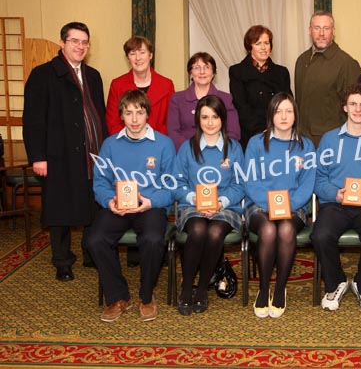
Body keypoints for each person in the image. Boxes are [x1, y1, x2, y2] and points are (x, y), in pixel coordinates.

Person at [23, 21, 108, 281]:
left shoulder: (93, 75)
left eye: (85, 42)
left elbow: (100, 114)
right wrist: (38, 156)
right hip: (58, 153)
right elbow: (33, 120)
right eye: (75, 41)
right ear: (62, 43)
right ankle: (62, 261)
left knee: (92, 204)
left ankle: (91, 253)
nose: (80, 46)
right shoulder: (43, 74)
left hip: (91, 152)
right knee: (60, 208)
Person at [88, 89, 176, 322]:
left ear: (148, 114)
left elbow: (172, 185)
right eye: (129, 113)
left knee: (153, 239)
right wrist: (110, 201)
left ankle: (146, 296)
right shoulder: (110, 145)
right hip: (119, 207)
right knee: (95, 239)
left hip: (150, 206)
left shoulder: (164, 144)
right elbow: (100, 182)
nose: (135, 119)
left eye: (139, 112)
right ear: (121, 116)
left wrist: (151, 202)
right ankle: (118, 296)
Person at [311, 83, 361, 313]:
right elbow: (318, 178)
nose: (358, 109)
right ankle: (336, 282)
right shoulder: (329, 140)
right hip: (336, 203)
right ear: (345, 107)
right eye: (353, 104)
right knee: (320, 235)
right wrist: (334, 194)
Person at [243, 92, 315, 318]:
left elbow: (307, 184)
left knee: (284, 229)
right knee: (266, 229)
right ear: (271, 115)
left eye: (289, 111)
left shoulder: (306, 145)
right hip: (259, 204)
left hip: (295, 207)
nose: (283, 116)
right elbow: (250, 181)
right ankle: (264, 289)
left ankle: (280, 288)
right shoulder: (256, 143)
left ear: (295, 115)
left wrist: (287, 206)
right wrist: (270, 205)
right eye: (278, 111)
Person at [173, 95, 244, 316]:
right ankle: (186, 288)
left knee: (214, 232)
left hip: (226, 207)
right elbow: (176, 183)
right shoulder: (187, 148)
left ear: (223, 118)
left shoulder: (233, 149)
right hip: (192, 205)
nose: (210, 122)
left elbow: (241, 185)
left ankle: (202, 288)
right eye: (205, 117)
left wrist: (221, 202)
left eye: (214, 116)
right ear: (198, 120)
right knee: (198, 228)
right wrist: (194, 199)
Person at [295, 11, 361, 146]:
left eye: (326, 28)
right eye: (317, 28)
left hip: (332, 141)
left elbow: (355, 109)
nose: (321, 33)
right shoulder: (301, 60)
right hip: (302, 139)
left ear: (333, 31)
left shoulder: (347, 63)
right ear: (309, 30)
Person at [229, 25, 292, 149]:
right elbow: (241, 106)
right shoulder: (237, 71)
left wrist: (275, 130)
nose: (263, 48)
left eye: (266, 43)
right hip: (250, 136)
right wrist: (260, 131)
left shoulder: (282, 72)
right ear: (249, 47)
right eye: (258, 43)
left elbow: (288, 104)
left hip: (279, 133)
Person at [168, 52, 240, 151]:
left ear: (213, 72)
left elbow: (233, 133)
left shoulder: (225, 99)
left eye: (207, 67)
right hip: (187, 153)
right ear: (190, 72)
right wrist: (191, 150)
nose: (202, 72)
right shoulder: (177, 99)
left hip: (218, 154)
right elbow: (173, 132)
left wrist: (214, 150)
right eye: (197, 67)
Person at [106, 36, 175, 135]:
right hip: (126, 145)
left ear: (150, 55)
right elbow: (112, 122)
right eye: (132, 54)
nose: (138, 58)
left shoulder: (167, 85)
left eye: (142, 52)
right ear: (128, 58)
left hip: (157, 144)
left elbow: (170, 122)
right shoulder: (117, 85)